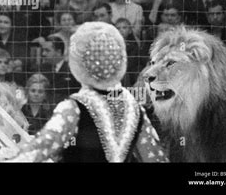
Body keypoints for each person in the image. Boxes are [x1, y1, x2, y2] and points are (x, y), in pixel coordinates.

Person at [10, 22, 168, 162]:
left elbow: (35, 152)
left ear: (78, 62)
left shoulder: (73, 109)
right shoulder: (135, 109)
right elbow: (155, 157)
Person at [39, 35, 80, 106]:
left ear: (58, 52)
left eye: (47, 50)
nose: (43, 54)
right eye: (43, 50)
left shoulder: (73, 70)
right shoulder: (41, 69)